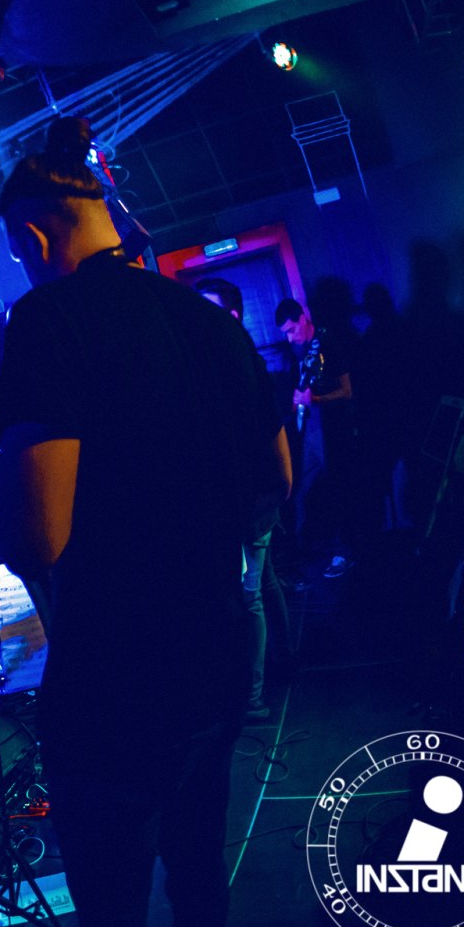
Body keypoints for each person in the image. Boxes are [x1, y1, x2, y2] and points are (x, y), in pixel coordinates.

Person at [0, 115, 290, 927]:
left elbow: (38, 535)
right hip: (216, 654)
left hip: (115, 682)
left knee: (115, 918)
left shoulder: (47, 320)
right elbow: (277, 478)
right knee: (199, 875)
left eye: (20, 254)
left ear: (34, 238)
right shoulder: (212, 321)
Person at [196, 277, 294, 719]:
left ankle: (253, 697)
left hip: (253, 500)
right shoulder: (228, 361)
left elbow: (271, 431)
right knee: (265, 581)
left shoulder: (240, 365)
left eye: (209, 309)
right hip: (256, 497)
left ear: (232, 316)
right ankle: (286, 660)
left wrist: (281, 486)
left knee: (249, 594)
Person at [276, 296, 359, 580]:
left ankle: (344, 551)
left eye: (291, 330)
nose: (289, 338)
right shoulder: (300, 348)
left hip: (331, 430)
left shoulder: (329, 342)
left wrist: (316, 400)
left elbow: (348, 391)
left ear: (303, 319)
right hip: (310, 430)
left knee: (338, 487)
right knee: (301, 488)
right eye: (285, 333)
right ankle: (300, 548)